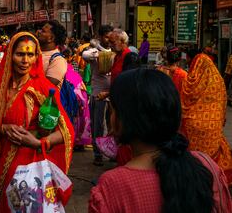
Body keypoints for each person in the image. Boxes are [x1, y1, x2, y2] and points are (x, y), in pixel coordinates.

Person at [89, 69, 232, 213]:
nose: (111, 117)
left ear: (123, 120)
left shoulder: (111, 187)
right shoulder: (207, 165)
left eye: (113, 110)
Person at [0, 32, 74, 212]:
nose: (25, 60)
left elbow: (67, 131)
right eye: (20, 54)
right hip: (6, 164)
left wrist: (39, 142)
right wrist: (2, 128)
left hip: (34, 163)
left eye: (30, 54)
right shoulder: (0, 88)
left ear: (36, 57)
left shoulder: (42, 87)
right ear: (10, 55)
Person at [180, 53, 232, 183]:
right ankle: (211, 171)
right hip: (213, 128)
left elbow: (184, 100)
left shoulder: (190, 82)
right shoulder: (218, 81)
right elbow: (223, 103)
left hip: (192, 126)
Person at [82, 25, 114, 166]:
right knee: (98, 126)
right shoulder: (93, 51)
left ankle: (112, 151)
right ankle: (97, 153)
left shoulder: (115, 50)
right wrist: (98, 52)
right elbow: (84, 55)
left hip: (113, 95)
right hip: (98, 95)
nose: (109, 39)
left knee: (113, 125)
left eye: (111, 36)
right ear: (101, 37)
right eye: (107, 36)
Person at [37, 20, 68, 88]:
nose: (39, 32)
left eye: (43, 31)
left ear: (51, 38)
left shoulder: (58, 60)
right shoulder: (35, 53)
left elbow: (47, 87)